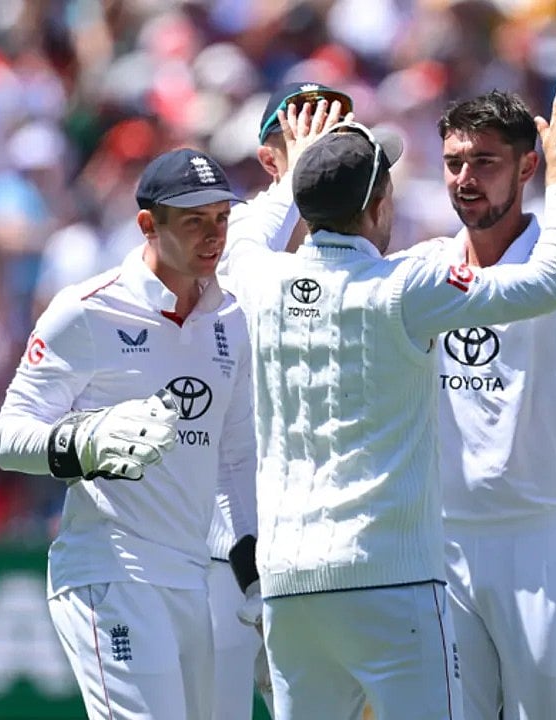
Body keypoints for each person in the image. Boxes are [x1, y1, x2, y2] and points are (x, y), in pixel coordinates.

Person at [227, 72, 556, 720]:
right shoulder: (406, 285)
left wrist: (297, 173)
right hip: (390, 574)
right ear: (377, 207)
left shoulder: (261, 278)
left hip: (289, 581)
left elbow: (243, 240)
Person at [0, 148, 258, 720]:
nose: (214, 236)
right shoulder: (85, 311)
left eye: (221, 219)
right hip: (109, 573)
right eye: (194, 222)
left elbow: (234, 462)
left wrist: (254, 580)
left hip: (193, 577)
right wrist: (84, 443)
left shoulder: (232, 319)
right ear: (147, 224)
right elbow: (8, 437)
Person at [397, 86, 556, 720]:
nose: (465, 179)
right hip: (444, 543)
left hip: (543, 541)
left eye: (485, 161)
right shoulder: (423, 268)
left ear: (529, 166)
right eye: (454, 161)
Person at [211, 80, 354, 720]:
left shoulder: (365, 254)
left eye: (339, 137)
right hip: (242, 537)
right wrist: (301, 176)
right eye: (305, 135)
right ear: (272, 159)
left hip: (336, 530)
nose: (326, 151)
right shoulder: (237, 231)